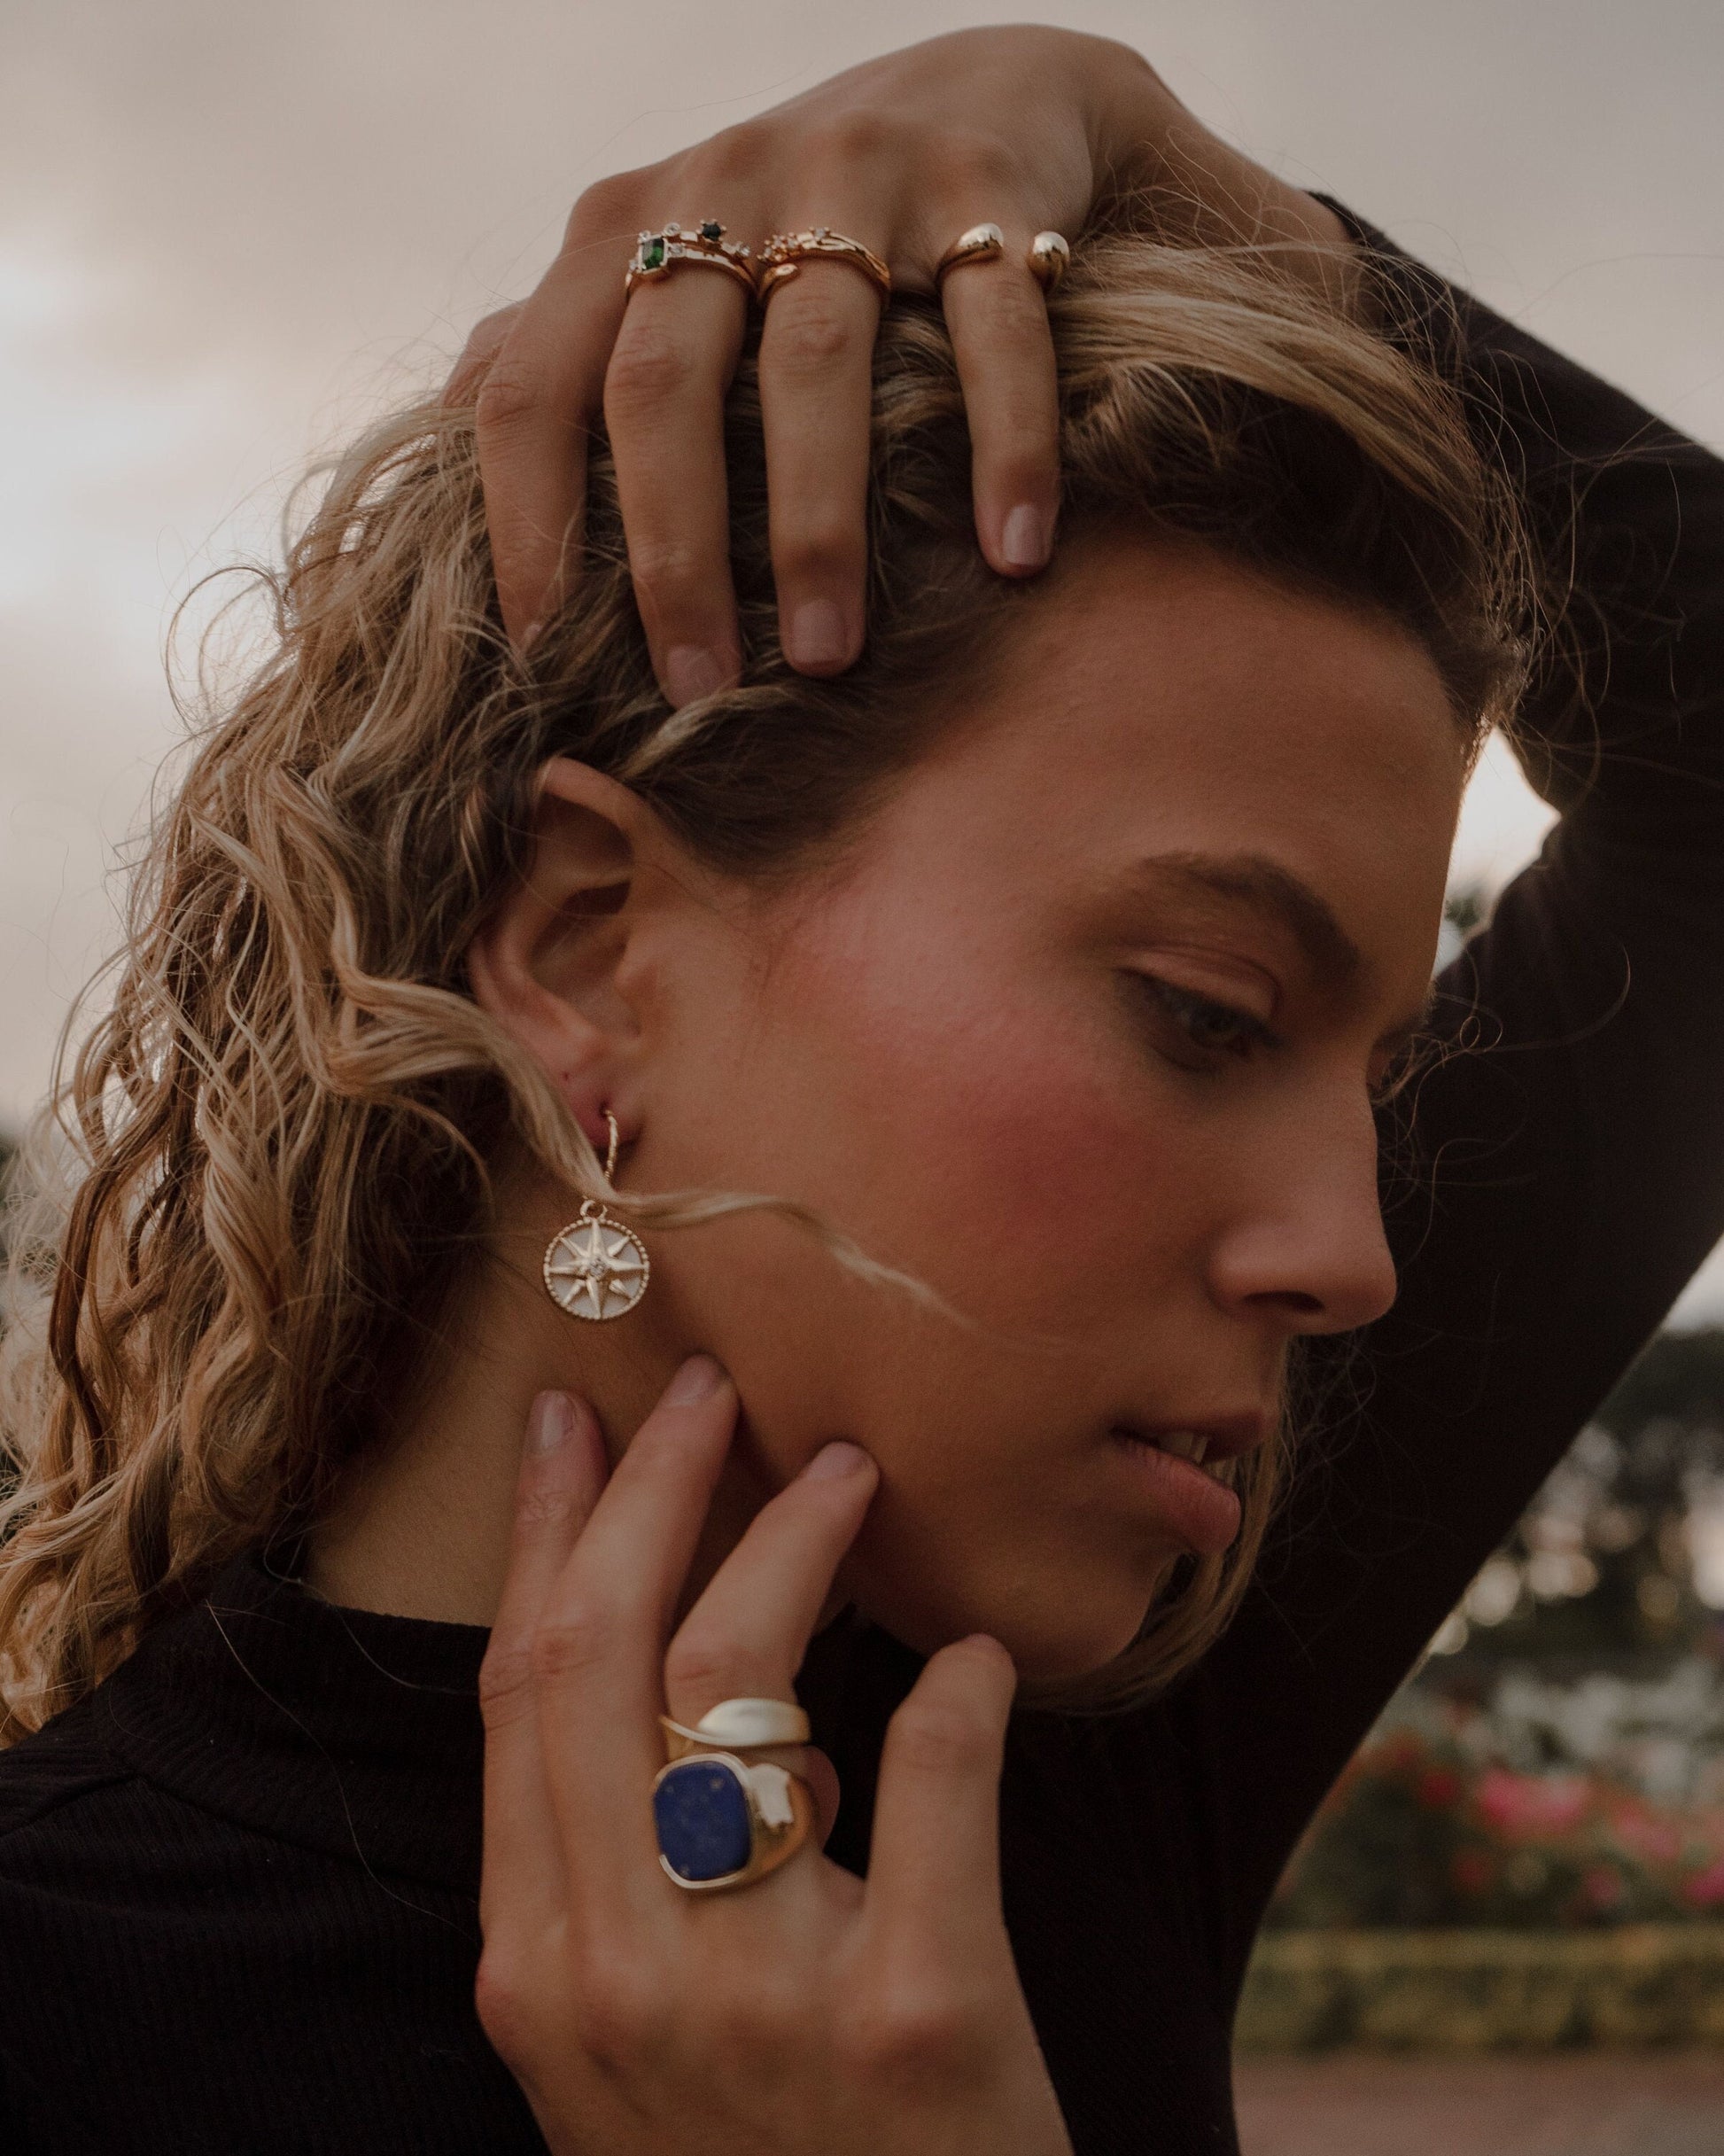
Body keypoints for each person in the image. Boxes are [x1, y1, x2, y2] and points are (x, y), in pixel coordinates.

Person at [2, 26, 1721, 2156]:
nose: (1353, 1255)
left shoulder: (1070, 1724)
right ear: (586, 951)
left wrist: (1175, 168)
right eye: (1207, 1011)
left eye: (1376, 1072)